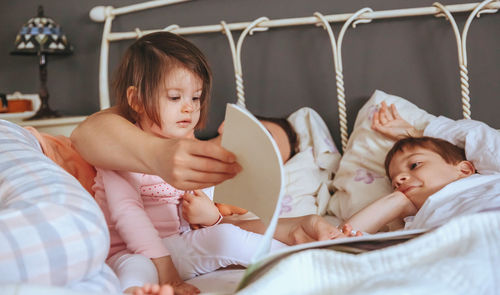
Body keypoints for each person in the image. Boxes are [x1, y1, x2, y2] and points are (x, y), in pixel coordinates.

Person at [94, 31, 340, 295]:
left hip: (176, 246)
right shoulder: (121, 149)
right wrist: (166, 270)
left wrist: (212, 217)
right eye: (175, 98)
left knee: (228, 238)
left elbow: (203, 220)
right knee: (132, 268)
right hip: (129, 250)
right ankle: (137, 291)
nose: (189, 108)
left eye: (195, 97)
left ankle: (311, 262)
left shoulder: (191, 147)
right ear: (136, 100)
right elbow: (128, 214)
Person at [0, 119, 121, 293]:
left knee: (104, 285)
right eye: (173, 97)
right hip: (15, 141)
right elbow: (86, 132)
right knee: (75, 228)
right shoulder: (142, 125)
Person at [344, 101, 500, 233]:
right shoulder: (415, 221)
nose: (398, 179)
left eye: (414, 165)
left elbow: (484, 140)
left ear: (464, 170)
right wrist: (398, 202)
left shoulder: (487, 177)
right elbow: (344, 235)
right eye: (393, 182)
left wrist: (418, 132)